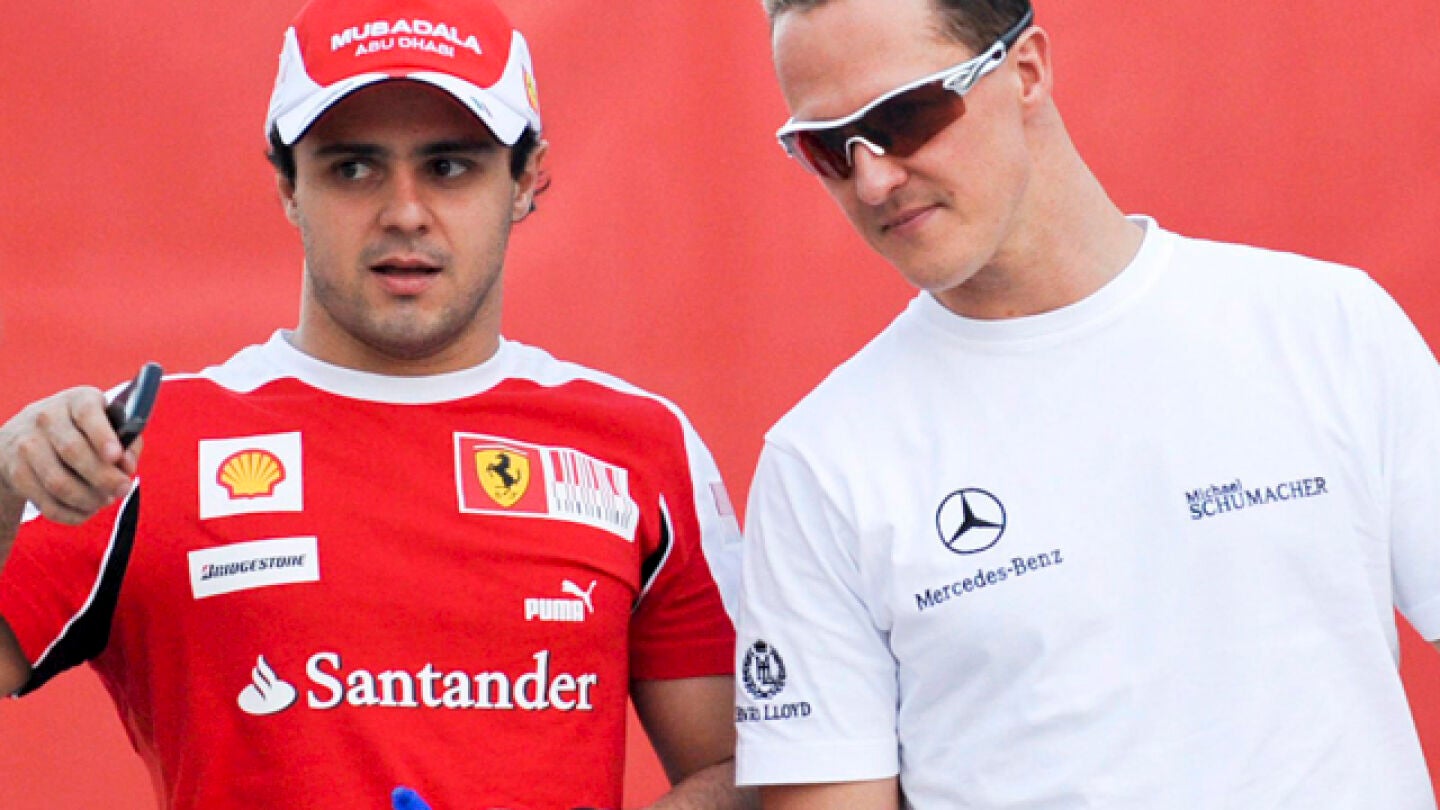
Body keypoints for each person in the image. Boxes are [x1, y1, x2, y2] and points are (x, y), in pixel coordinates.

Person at [0, 0, 752, 808]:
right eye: (353, 168)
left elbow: (751, 772)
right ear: (287, 184)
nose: (404, 212)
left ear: (525, 178)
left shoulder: (640, 446)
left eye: (449, 167)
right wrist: (2, 486)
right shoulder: (146, 443)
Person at [733, 0, 1440, 807]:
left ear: (1027, 70)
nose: (873, 180)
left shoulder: (1327, 328)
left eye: (903, 117)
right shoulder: (823, 463)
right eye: (827, 146)